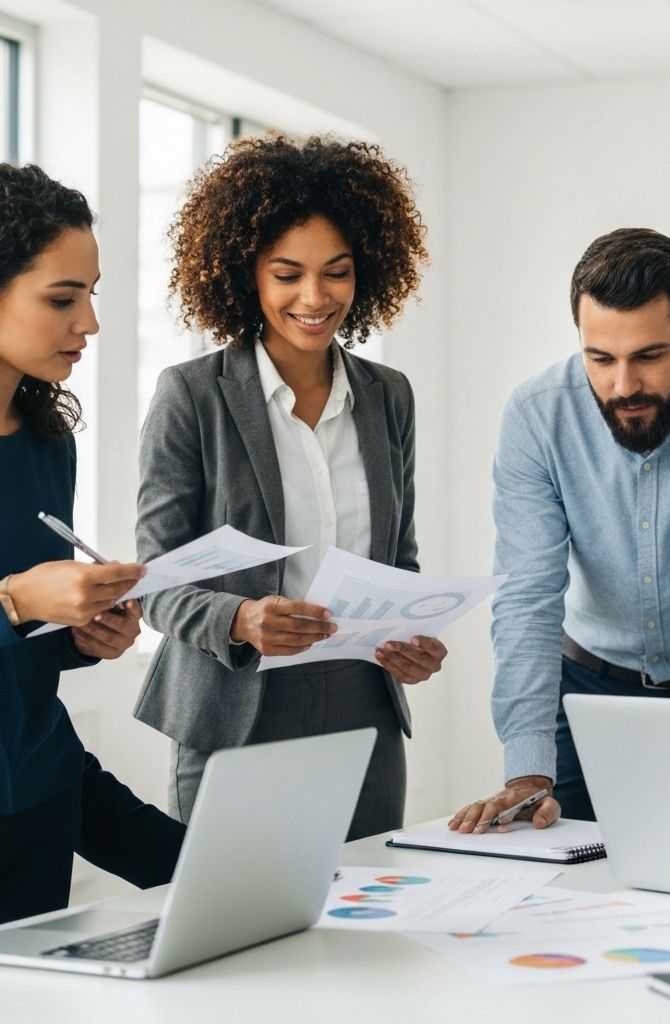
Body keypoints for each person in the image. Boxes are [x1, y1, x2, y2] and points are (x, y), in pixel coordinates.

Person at [135, 135, 445, 840]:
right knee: (238, 935)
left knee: (365, 923)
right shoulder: (192, 396)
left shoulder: (388, 397)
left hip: (363, 707)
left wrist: (412, 634)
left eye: (336, 272)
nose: (315, 298)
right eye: (287, 274)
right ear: (246, 273)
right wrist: (239, 621)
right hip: (237, 707)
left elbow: (398, 558)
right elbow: (151, 580)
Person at [451, 228, 670, 832]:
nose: (623, 386)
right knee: (563, 888)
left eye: (648, 356)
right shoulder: (536, 414)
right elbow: (528, 598)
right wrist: (526, 765)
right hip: (583, 690)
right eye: (600, 359)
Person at [0, 163, 184, 924]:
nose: (90, 324)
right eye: (61, 298)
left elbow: (29, 655)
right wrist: (13, 602)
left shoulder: (46, 441)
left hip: (39, 794)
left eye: (92, 294)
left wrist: (82, 634)